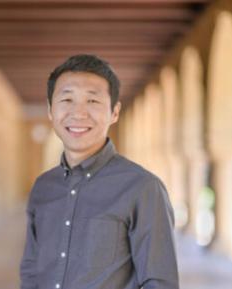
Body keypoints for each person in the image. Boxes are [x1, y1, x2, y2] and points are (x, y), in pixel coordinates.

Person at [20, 54, 179, 289]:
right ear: (50, 110)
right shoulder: (43, 187)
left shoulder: (143, 188)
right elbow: (32, 271)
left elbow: (160, 282)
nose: (79, 113)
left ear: (114, 112)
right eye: (67, 99)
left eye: (92, 101)